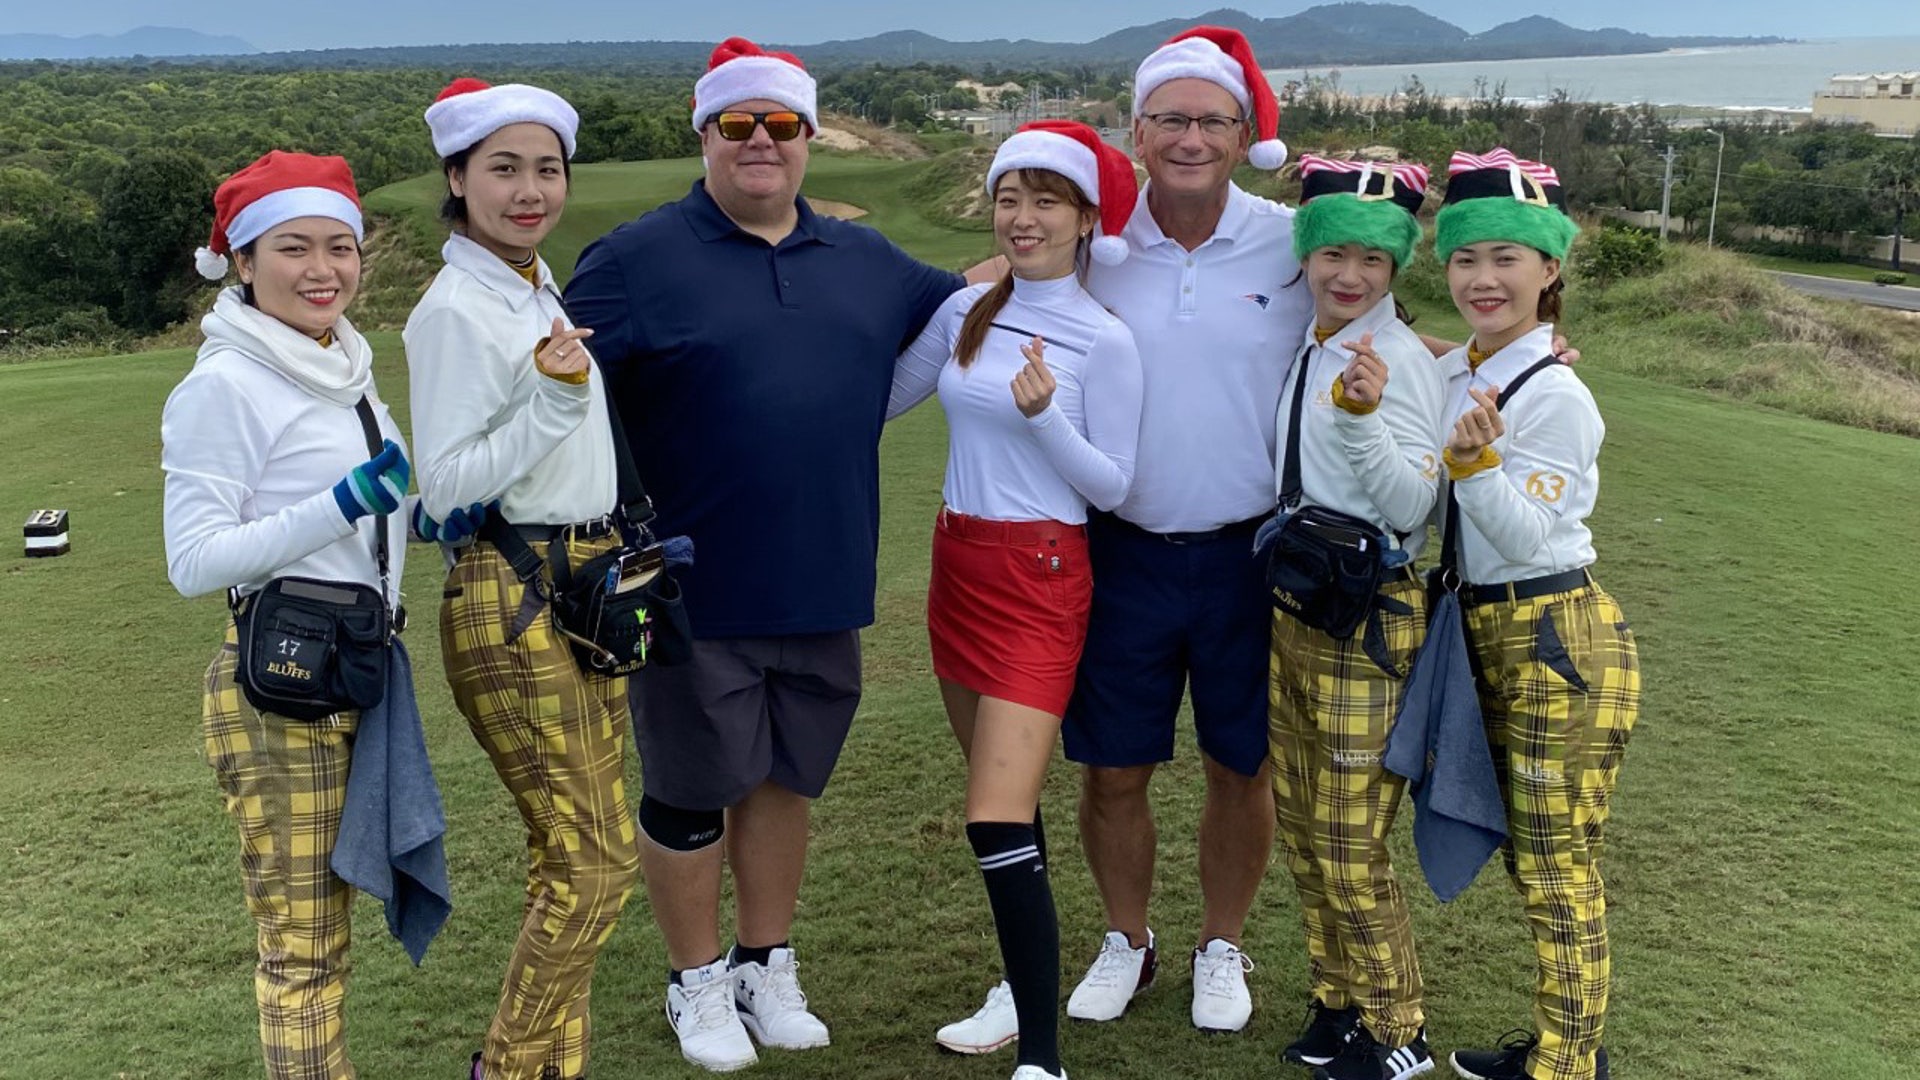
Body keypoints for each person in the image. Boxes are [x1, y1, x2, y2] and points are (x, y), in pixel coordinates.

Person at [563, 37, 997, 1073]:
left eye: (783, 124)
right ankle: (695, 981)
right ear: (704, 134)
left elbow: (969, 297)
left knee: (782, 781)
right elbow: (556, 395)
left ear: (809, 136)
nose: (761, 141)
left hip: (823, 574)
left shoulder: (865, 259)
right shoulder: (632, 260)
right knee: (688, 789)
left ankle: (765, 963)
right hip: (688, 584)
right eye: (738, 124)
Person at [1058, 25, 1312, 1035]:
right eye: (1170, 118)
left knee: (1239, 766)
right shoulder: (1095, 244)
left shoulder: (1291, 242)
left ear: (1244, 135)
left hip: (1252, 554)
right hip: (1121, 549)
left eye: (1212, 120)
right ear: (1137, 132)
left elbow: (1373, 323)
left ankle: (1221, 943)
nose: (1191, 138)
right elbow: (1003, 290)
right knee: (1114, 767)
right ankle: (1128, 939)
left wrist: (1500, 355)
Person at [888, 121, 1145, 1080]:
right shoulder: (969, 309)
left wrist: (1044, 421)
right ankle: (1018, 982)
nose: (1024, 218)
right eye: (1009, 198)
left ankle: (1042, 1056)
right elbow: (883, 398)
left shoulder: (1104, 339)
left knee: (994, 816)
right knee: (1009, 807)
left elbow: (1113, 484)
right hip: (958, 563)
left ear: (1086, 220)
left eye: (1046, 201)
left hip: (1040, 574)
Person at [403, 79, 641, 1080]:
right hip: (515, 590)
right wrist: (551, 399)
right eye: (503, 169)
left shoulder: (530, 284)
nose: (530, 190)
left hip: (580, 581)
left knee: (569, 860)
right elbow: (446, 486)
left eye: (547, 169)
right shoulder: (457, 309)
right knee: (597, 866)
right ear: (458, 179)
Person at [163, 150, 413, 1080]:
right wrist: (342, 505)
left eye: (340, 247)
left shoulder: (341, 361)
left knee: (328, 942)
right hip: (281, 687)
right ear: (241, 260)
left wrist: (420, 515)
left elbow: (364, 518)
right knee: (303, 951)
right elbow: (193, 562)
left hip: (354, 668)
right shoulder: (225, 383)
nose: (323, 270)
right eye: (294, 248)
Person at [1428, 148, 1639, 1080]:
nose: (1483, 278)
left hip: (1556, 633)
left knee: (1557, 865)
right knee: (1535, 860)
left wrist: (1475, 467)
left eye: (1506, 258)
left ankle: (1567, 1063)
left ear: (1549, 269)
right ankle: (1565, 1050)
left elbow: (1518, 537)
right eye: (1466, 258)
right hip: (1490, 632)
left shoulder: (1556, 393)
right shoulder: (1470, 368)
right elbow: (1430, 363)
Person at [1261, 156, 1447, 1080]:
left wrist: (1364, 418)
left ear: (1395, 266)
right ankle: (1337, 999)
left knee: (1347, 837)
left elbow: (1414, 507)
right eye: (1333, 252)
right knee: (1302, 824)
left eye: (1373, 260)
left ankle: (1397, 1028)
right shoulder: (1315, 337)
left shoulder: (1395, 361)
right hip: (1303, 602)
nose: (1350, 274)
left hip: (1369, 616)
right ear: (1306, 255)